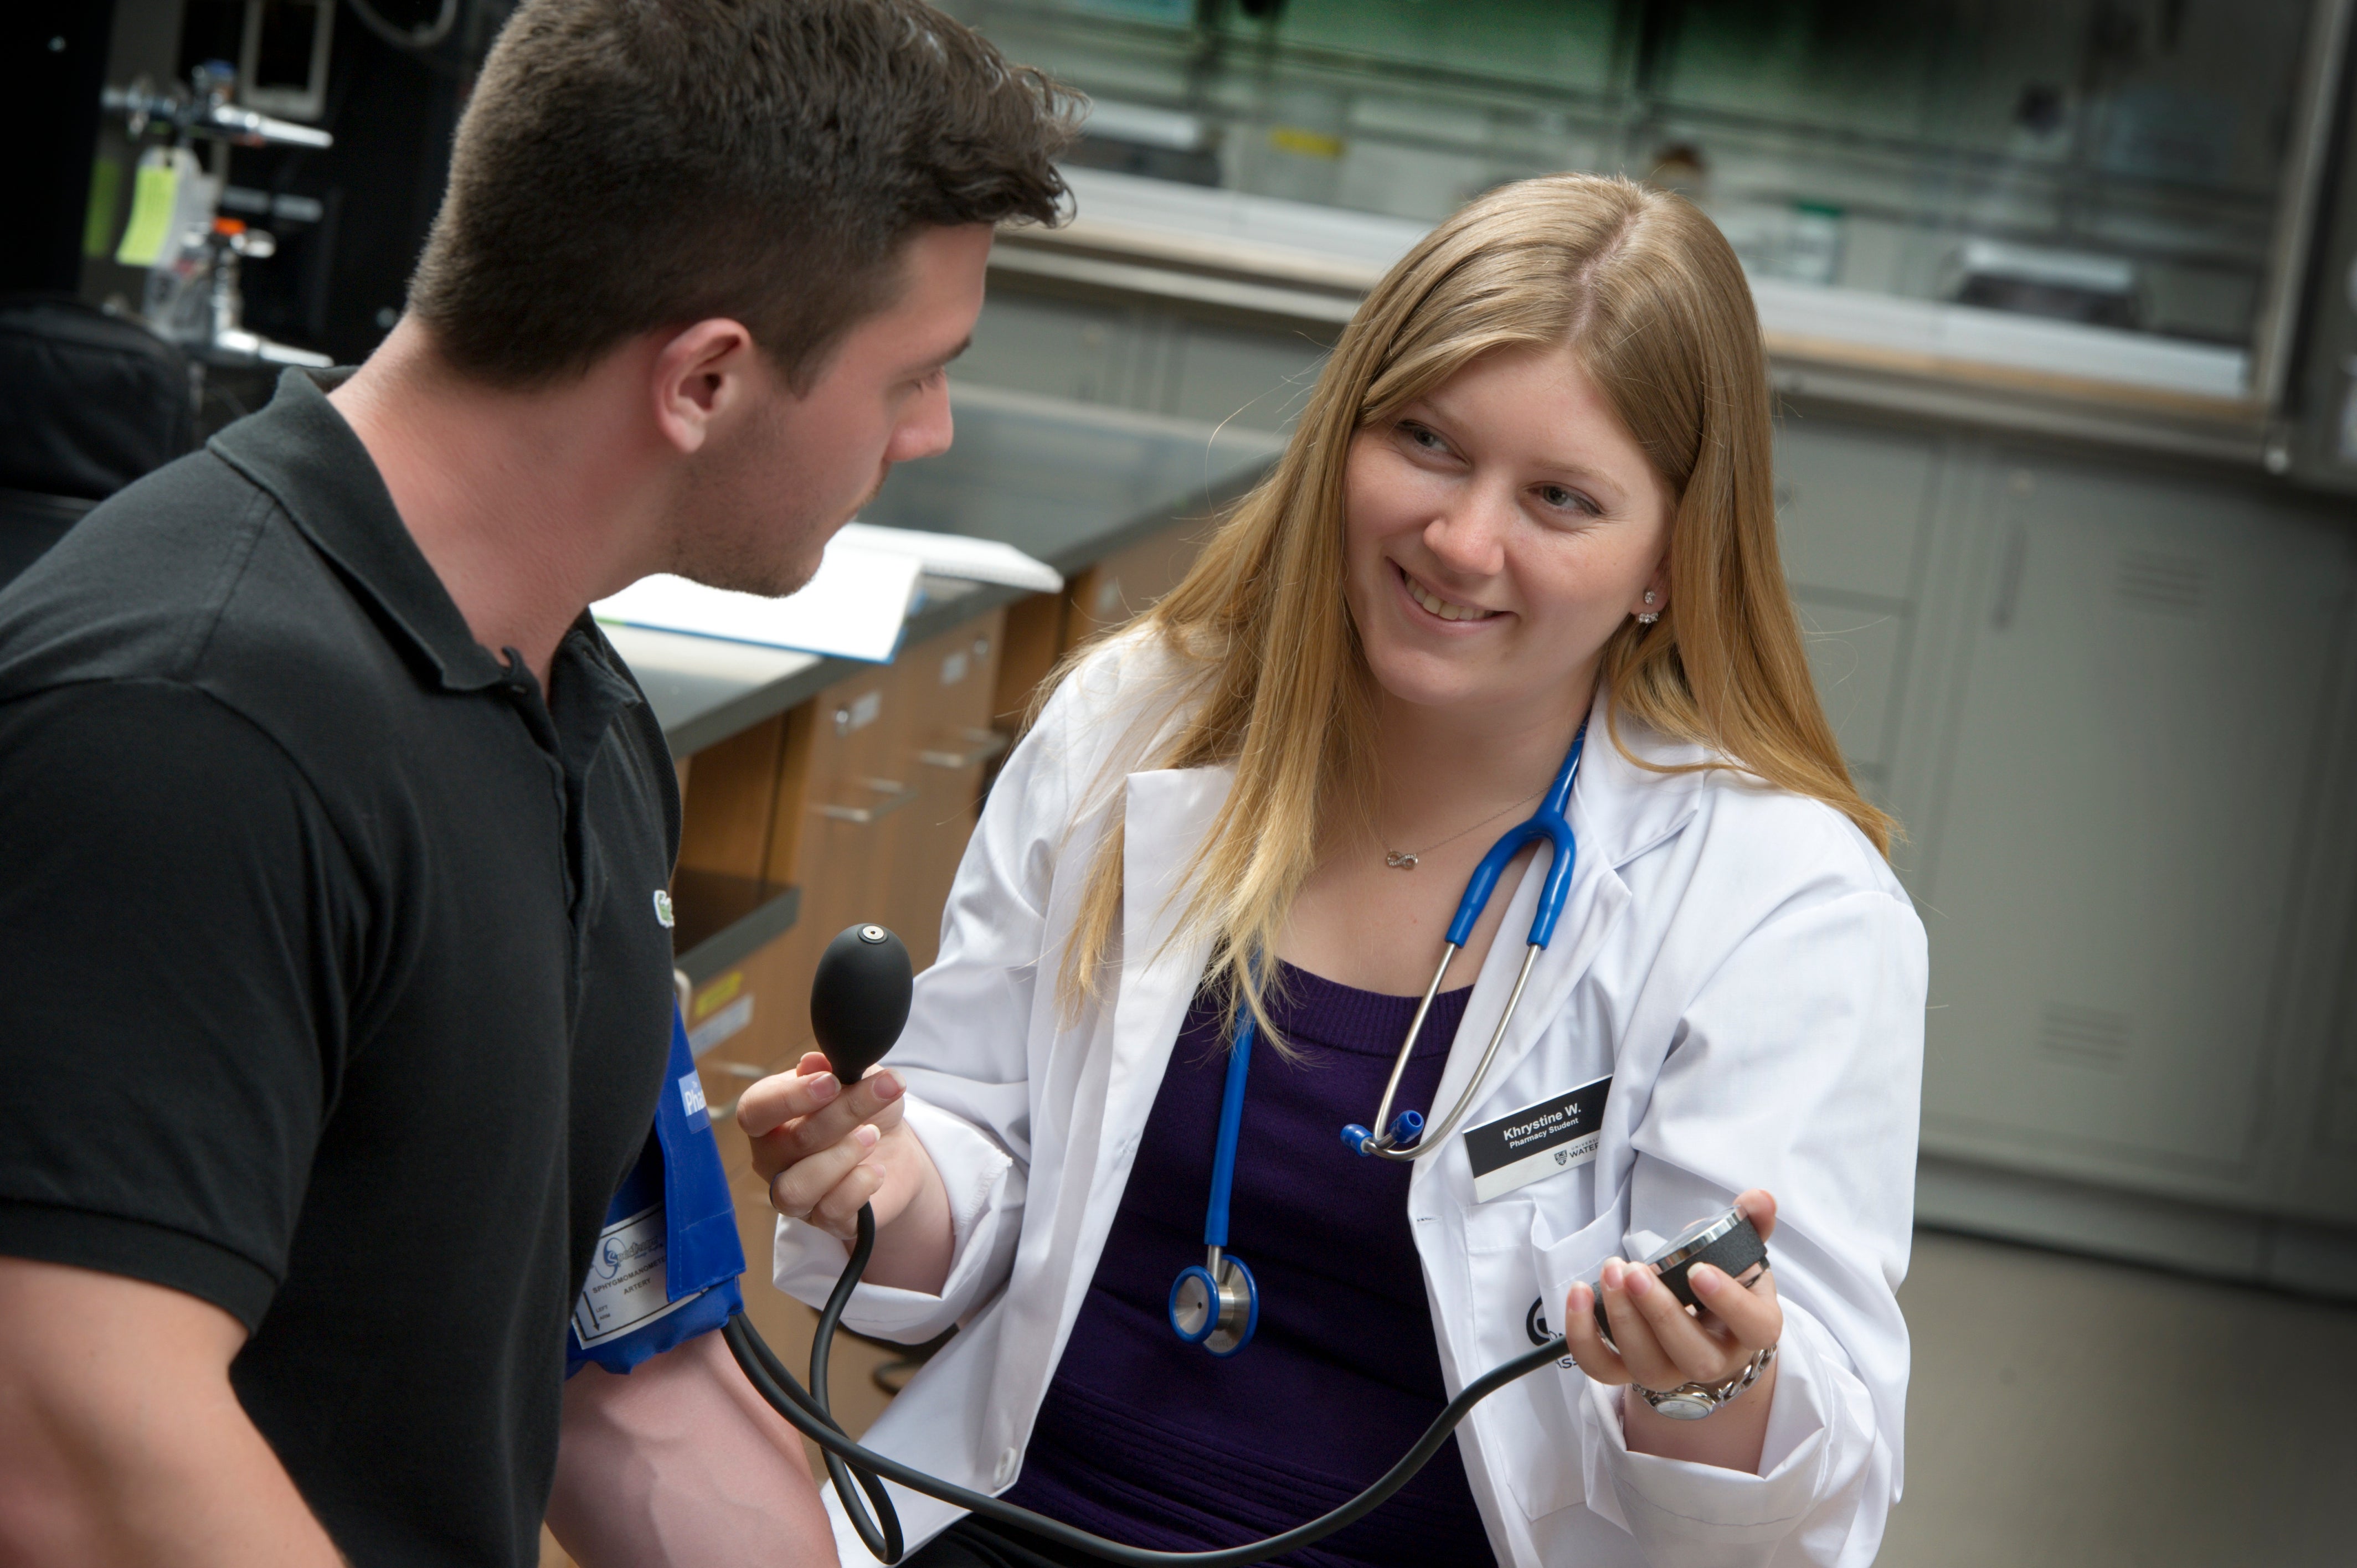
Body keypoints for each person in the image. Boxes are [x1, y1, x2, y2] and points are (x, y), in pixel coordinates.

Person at [0, 2, 1072, 1564]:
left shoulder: (570, 711)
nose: (932, 431)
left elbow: (623, 1365)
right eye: (913, 375)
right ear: (706, 378)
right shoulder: (195, 722)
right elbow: (65, 1443)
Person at [743, 173, 1927, 1568]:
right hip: (1016, 1519)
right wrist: (885, 1182)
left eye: (1559, 498)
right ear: (1344, 433)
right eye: (1426, 442)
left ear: (1665, 560)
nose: (1461, 539)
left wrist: (1711, 1383)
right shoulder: (1135, 722)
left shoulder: (1778, 903)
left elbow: (1802, 1504)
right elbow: (971, 1161)